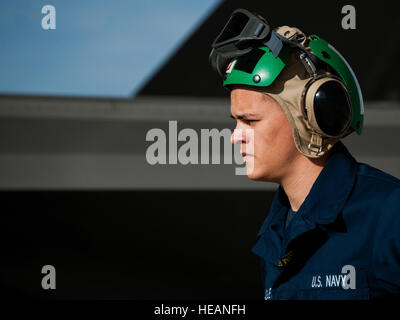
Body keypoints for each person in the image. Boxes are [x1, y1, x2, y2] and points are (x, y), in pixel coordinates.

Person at [210, 9, 400, 300]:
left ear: (315, 114)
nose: (235, 137)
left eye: (250, 121)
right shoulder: (275, 236)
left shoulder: (389, 212)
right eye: (235, 122)